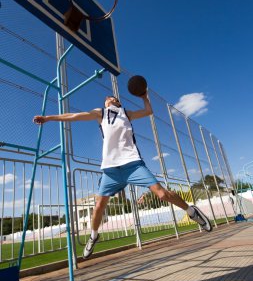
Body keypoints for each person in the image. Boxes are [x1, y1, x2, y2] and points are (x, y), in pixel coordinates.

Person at [33, 92, 212, 259]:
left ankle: (191, 211)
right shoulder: (100, 113)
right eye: (106, 98)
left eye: (111, 97)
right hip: (111, 170)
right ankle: (94, 236)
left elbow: (149, 111)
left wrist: (144, 96)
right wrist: (49, 118)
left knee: (162, 194)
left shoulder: (126, 113)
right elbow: (74, 116)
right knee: (98, 207)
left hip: (132, 164)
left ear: (117, 101)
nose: (108, 99)